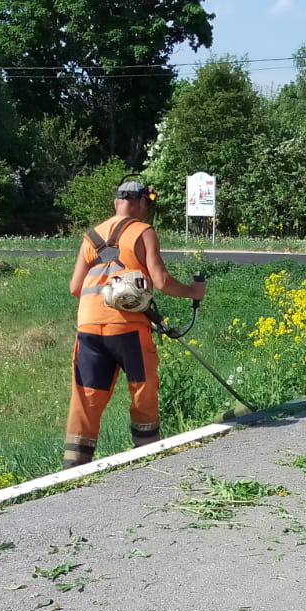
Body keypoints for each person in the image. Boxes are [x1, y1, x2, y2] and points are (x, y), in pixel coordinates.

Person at [63, 180, 206, 468]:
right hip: (127, 328)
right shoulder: (143, 231)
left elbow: (75, 288)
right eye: (147, 204)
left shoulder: (91, 236)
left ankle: (73, 469)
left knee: (86, 396)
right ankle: (148, 456)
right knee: (142, 387)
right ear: (140, 202)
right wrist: (194, 291)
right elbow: (162, 281)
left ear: (117, 202)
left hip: (89, 326)